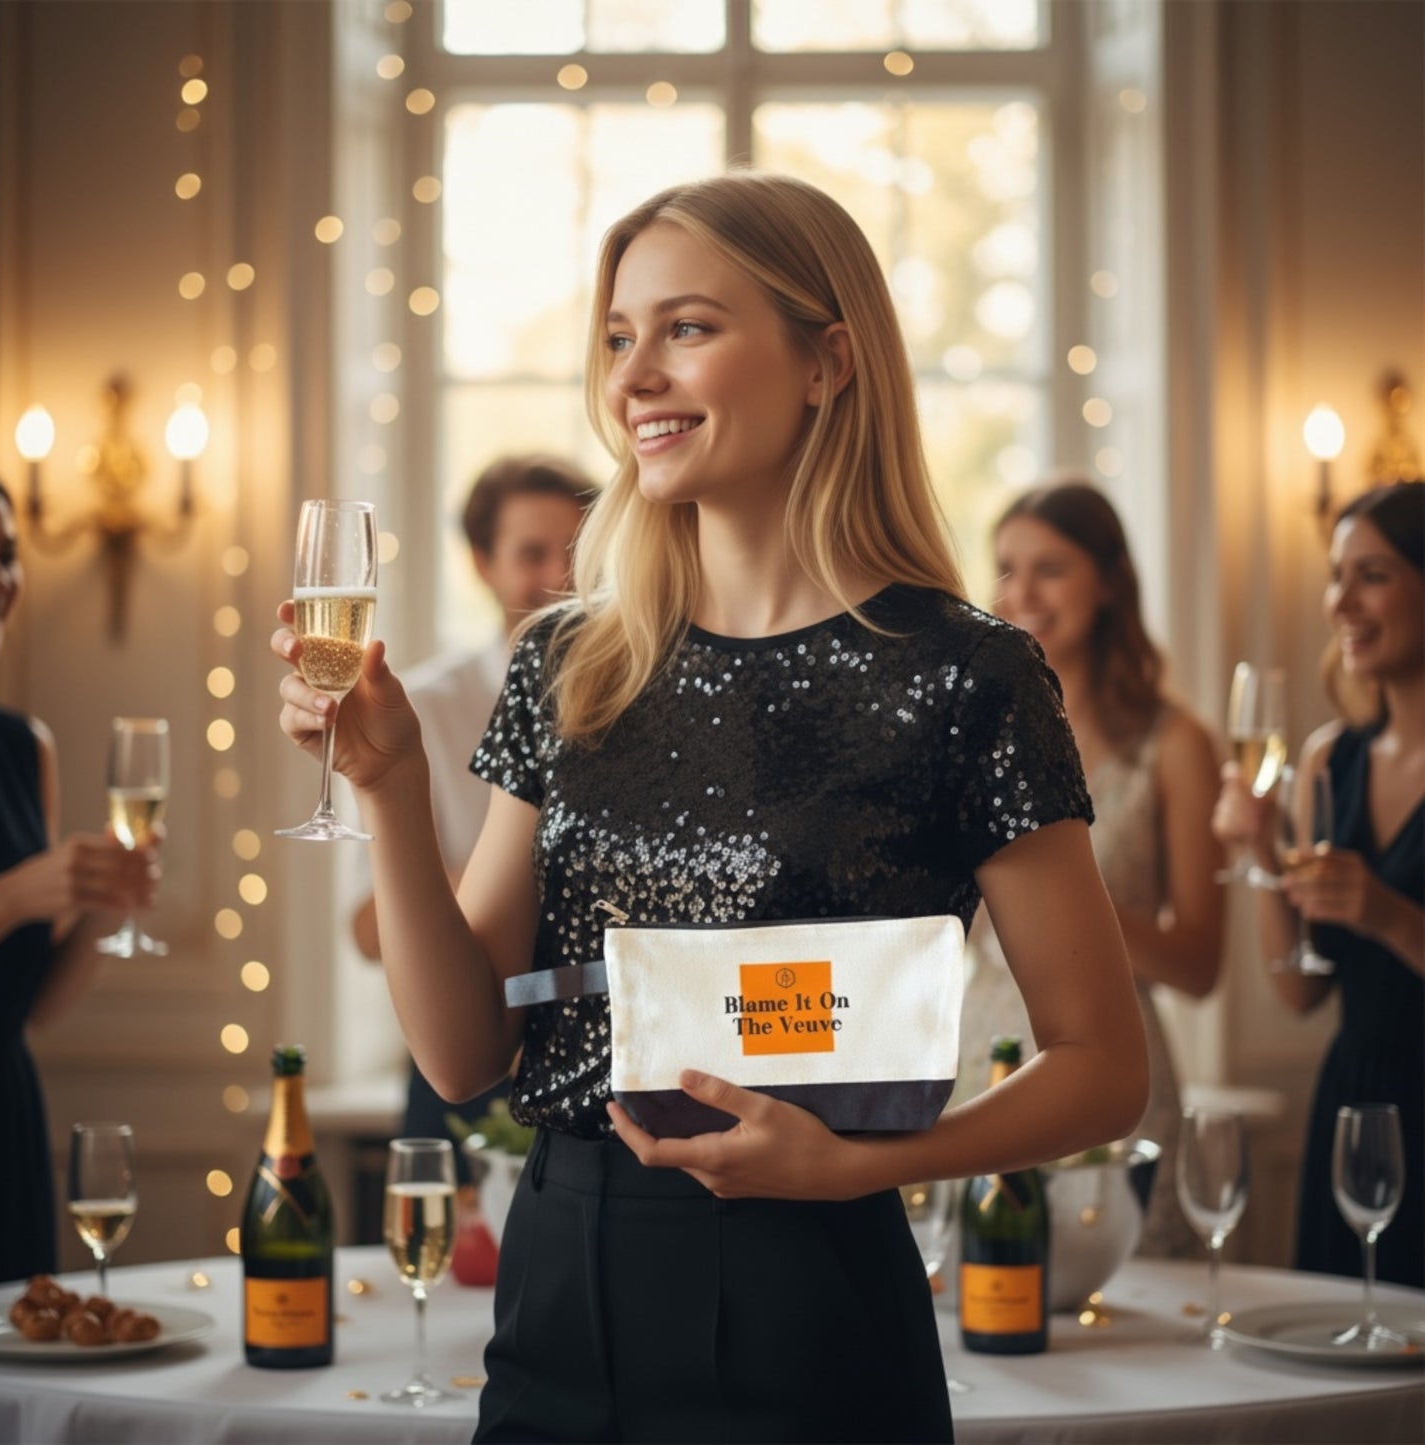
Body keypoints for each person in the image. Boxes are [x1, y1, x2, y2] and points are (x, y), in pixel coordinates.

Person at [274, 172, 1148, 1443]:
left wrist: (863, 1165)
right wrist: (392, 787)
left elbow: (1102, 1068)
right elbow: (465, 1056)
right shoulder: (567, 655)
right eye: (620, 337)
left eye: (685, 327)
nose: (632, 377)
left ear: (825, 361)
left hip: (817, 1294)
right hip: (561, 1281)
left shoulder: (965, 672)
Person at [963, 480, 1225, 1259]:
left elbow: (1200, 963)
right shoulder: (975, 736)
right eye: (1006, 569)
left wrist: (1065, 899)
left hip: (1110, 1070)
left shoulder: (1173, 746)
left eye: (1050, 568)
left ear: (1108, 582)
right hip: (979, 1064)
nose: (1021, 593)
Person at [345, 454, 591, 1171]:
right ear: (482, 563)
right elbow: (366, 928)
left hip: (590, 1066)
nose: (560, 574)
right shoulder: (414, 707)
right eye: (531, 553)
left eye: (575, 550)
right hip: (458, 1051)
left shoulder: (634, 702)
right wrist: (511, 890)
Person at [1213, 481, 1423, 1289]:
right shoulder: (1329, 759)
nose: (1339, 601)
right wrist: (1262, 851)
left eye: (1371, 574)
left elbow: (1378, 921)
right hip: (1354, 1104)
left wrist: (1388, 914)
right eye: (1336, 575)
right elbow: (1298, 991)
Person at [0, 467, 160, 1287]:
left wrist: (99, 907)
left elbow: (36, 1003)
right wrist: (18, 894)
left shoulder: (24, 746)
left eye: (9, 556)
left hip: (4, 1119)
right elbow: (13, 904)